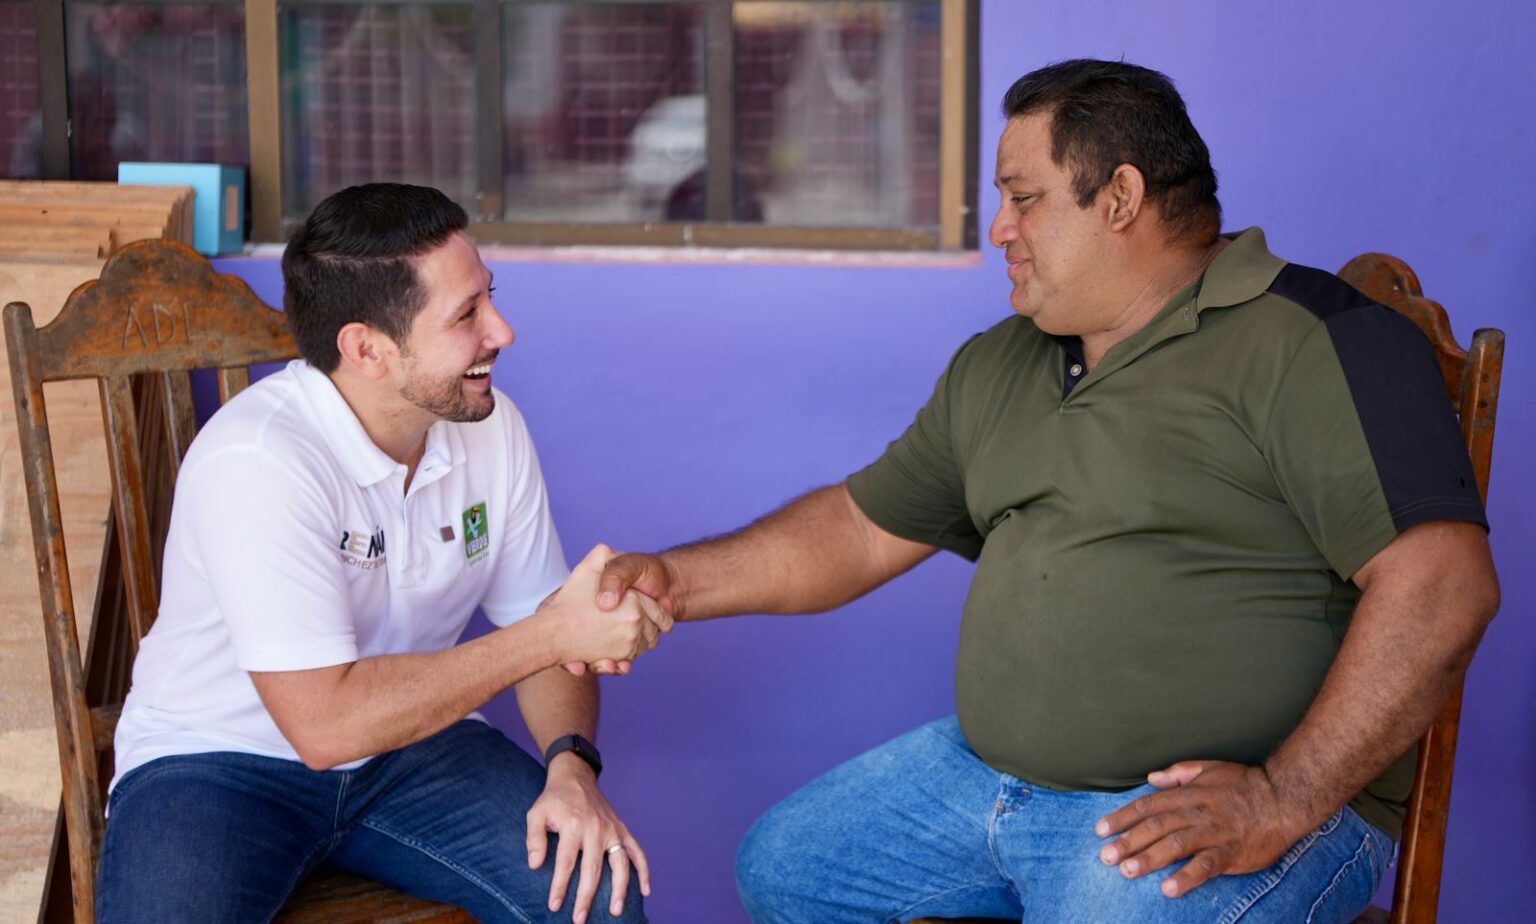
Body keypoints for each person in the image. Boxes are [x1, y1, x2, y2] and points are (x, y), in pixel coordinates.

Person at [596, 59, 1500, 922]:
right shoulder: (1005, 358)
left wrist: (1280, 796)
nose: (998, 228)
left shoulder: (1313, 342)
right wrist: (674, 584)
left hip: (1226, 806)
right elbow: (858, 530)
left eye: (1023, 199)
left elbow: (1444, 587)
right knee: (791, 870)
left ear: (1120, 198)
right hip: (990, 781)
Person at [97, 183, 667, 923]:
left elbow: (542, 622)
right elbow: (326, 728)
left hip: (414, 750)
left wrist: (571, 765)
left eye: (488, 297)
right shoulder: (259, 459)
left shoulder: (490, 426)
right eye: (466, 315)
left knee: (599, 898)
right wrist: (551, 634)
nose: (503, 330)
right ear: (366, 348)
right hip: (216, 763)